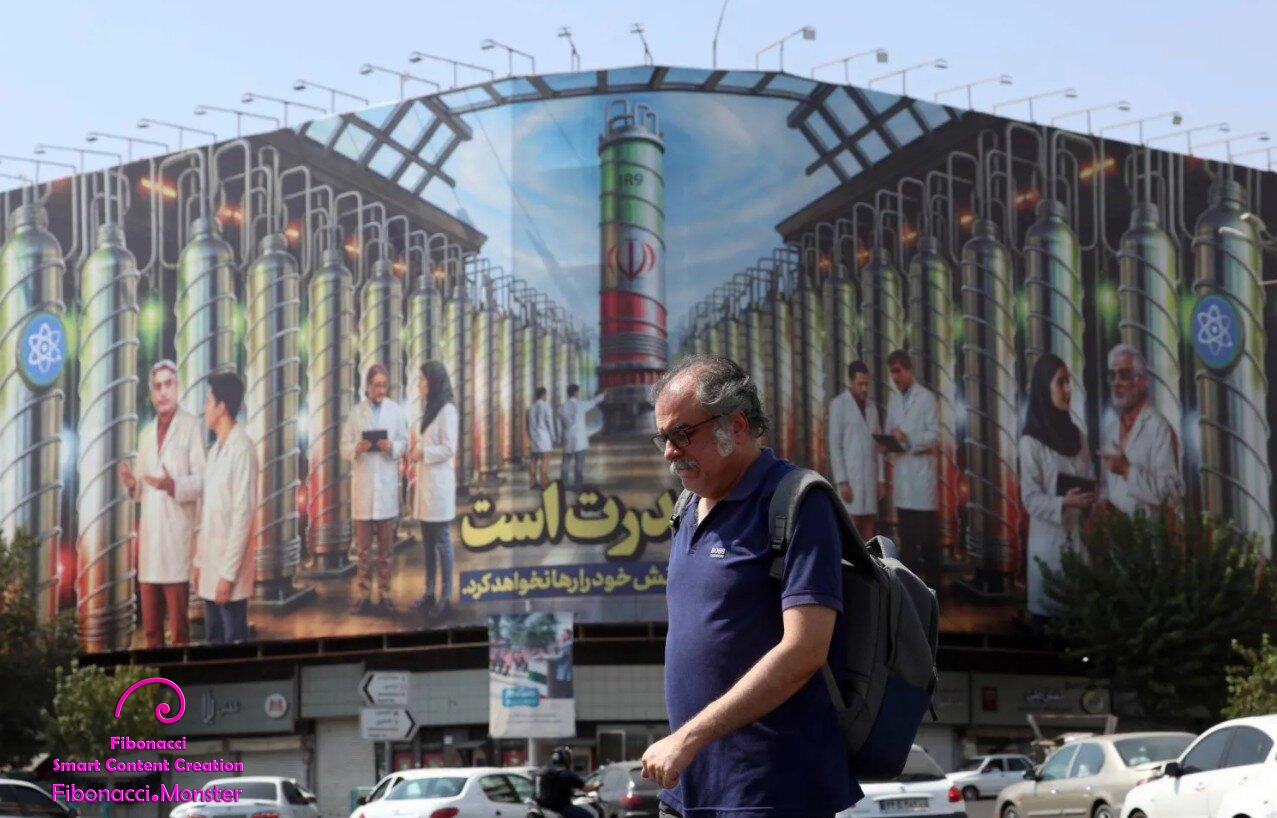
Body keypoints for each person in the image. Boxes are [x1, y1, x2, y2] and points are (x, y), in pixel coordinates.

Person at [642, 355, 857, 817]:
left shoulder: (797, 502)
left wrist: (688, 736)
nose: (669, 452)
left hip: (769, 793)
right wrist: (685, 745)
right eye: (664, 438)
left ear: (736, 425)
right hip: (687, 789)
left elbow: (805, 650)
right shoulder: (686, 508)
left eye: (682, 434)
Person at [117, 360, 205, 648]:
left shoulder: (191, 426)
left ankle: (179, 676)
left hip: (176, 542)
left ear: (177, 387)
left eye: (168, 384)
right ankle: (153, 677)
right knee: (151, 632)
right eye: (157, 386)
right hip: (150, 544)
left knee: (179, 631)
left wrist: (173, 485)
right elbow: (143, 488)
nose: (163, 392)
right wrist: (132, 484)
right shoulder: (145, 434)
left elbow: (202, 481)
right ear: (151, 393)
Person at [1019, 353, 1095, 621]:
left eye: (1069, 382)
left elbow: (1089, 478)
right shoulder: (1031, 442)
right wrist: (1063, 502)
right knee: (1048, 624)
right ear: (1044, 388)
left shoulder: (1078, 436)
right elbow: (1030, 498)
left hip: (1078, 543)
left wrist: (1092, 497)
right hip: (1049, 546)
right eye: (1060, 382)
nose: (1067, 389)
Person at [193, 372, 258, 645]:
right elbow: (207, 513)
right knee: (214, 641)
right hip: (211, 568)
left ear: (222, 407)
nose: (205, 408)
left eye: (209, 401)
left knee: (233, 643)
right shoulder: (215, 451)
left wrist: (227, 576)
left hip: (228, 574)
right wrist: (199, 563)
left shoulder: (242, 449)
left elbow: (243, 516)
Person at [340, 363, 409, 614]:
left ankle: (385, 593)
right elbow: (344, 446)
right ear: (367, 386)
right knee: (363, 551)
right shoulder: (356, 413)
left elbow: (404, 442)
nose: (381, 390)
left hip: (386, 488)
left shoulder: (396, 411)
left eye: (384, 385)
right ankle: (363, 595)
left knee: (386, 551)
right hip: (364, 489)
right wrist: (355, 449)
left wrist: (392, 446)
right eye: (377, 385)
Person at [1099, 344, 1184, 516]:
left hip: (1148, 532)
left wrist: (1127, 470)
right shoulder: (1110, 429)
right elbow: (1108, 488)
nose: (1116, 383)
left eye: (1123, 375)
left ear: (1141, 381)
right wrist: (1102, 502)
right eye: (1112, 376)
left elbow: (1171, 494)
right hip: (1114, 531)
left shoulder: (1159, 428)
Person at [883, 349, 941, 588]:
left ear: (909, 370)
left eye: (898, 371)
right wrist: (887, 442)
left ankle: (934, 591)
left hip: (922, 480)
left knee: (928, 542)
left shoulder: (926, 398)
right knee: (906, 542)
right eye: (892, 373)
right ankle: (910, 594)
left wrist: (907, 438)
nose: (895, 377)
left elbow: (934, 435)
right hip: (903, 479)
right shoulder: (893, 400)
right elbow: (890, 431)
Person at [408, 360, 459, 619]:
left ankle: (445, 596)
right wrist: (416, 448)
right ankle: (429, 593)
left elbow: (449, 448)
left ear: (434, 381)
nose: (419, 383)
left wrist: (423, 452)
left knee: (443, 543)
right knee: (428, 544)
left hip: (438, 486)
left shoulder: (447, 410)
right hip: (426, 484)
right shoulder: (430, 408)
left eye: (422, 379)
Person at [827, 360, 885, 542]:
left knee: (869, 524)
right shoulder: (838, 405)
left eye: (867, 384)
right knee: (851, 527)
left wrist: (881, 479)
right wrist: (842, 481)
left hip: (870, 476)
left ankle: (869, 561)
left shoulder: (872, 408)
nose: (864, 388)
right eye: (860, 384)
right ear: (850, 381)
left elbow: (878, 445)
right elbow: (835, 445)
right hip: (850, 478)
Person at [558, 384, 605, 492]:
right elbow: (592, 402)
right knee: (579, 464)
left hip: (568, 438)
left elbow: (559, 424)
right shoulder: (580, 405)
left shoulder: (562, 407)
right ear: (575, 393)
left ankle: (563, 484)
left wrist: (559, 437)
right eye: (578, 392)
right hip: (579, 439)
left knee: (566, 463)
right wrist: (602, 396)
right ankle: (577, 485)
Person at [534, 747, 590, 818]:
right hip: (560, 807)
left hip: (541, 807)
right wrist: (598, 784)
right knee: (589, 816)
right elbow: (586, 789)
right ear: (566, 759)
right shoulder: (566, 773)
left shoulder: (544, 771)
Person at [526, 386, 555, 489]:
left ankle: (532, 482)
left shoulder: (531, 408)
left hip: (534, 436)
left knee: (533, 459)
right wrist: (553, 436)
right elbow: (549, 423)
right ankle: (544, 482)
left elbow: (527, 424)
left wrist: (531, 436)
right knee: (545, 458)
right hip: (544, 436)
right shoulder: (546, 406)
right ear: (543, 395)